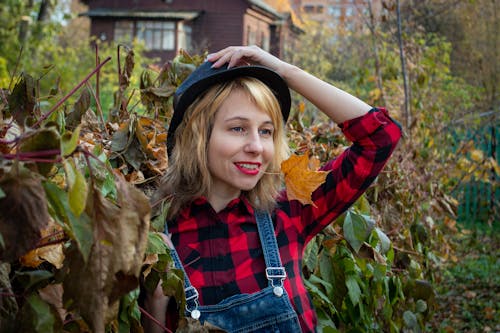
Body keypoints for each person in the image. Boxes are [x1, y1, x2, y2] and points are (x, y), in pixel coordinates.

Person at [144, 45, 402, 333]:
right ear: (197, 137)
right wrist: (156, 301)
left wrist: (286, 71)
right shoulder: (162, 239)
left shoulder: (290, 211)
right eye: (238, 128)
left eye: (266, 131)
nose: (256, 146)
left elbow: (381, 137)